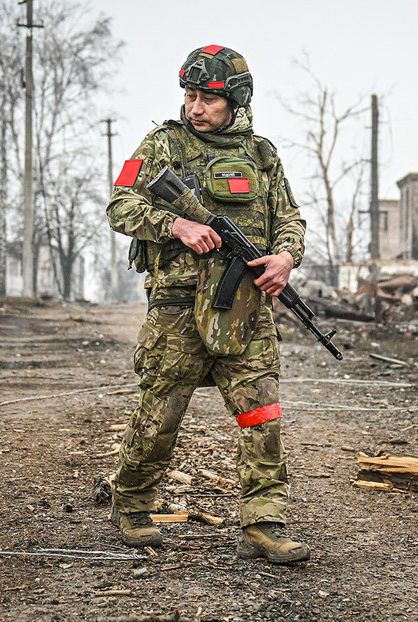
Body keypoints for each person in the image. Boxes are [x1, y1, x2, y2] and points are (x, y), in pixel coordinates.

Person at [105, 44, 309, 564]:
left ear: (235, 101)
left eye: (209, 99)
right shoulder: (161, 144)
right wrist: (176, 224)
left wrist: (285, 257)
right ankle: (130, 501)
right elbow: (120, 202)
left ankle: (265, 522)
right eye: (191, 96)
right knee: (161, 415)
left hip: (247, 306)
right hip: (177, 308)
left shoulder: (262, 155)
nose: (196, 108)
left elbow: (289, 217)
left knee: (261, 416)